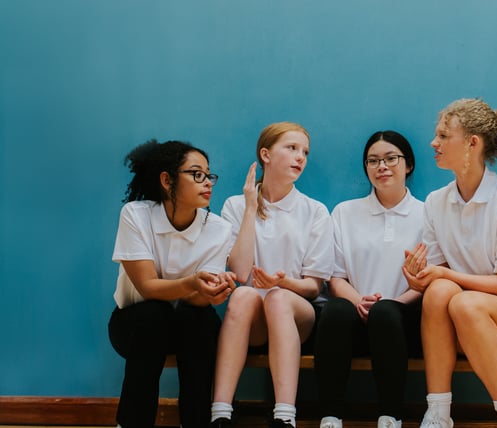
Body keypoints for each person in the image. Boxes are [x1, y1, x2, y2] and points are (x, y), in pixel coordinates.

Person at [403, 98, 497, 428]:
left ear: (472, 143)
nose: (434, 143)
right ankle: (438, 413)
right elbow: (440, 280)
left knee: (464, 302)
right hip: (466, 317)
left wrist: (443, 274)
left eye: (444, 136)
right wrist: (420, 278)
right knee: (441, 291)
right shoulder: (435, 202)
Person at [210, 122, 335, 428]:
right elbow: (239, 272)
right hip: (252, 317)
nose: (300, 157)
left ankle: (284, 417)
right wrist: (251, 208)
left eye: (304, 151)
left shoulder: (314, 211)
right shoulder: (235, 206)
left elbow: (312, 287)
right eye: (291, 148)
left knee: (278, 299)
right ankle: (221, 414)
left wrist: (281, 283)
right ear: (265, 154)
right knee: (241, 294)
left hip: (296, 313)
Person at [109, 139, 236, 428]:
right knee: (154, 314)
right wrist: (193, 281)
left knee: (200, 319)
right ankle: (131, 423)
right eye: (196, 174)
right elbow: (148, 287)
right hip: (135, 323)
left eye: (209, 174)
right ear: (167, 180)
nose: (207, 182)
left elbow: (199, 301)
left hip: (187, 323)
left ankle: (196, 422)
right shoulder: (136, 215)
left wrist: (214, 293)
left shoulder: (219, 229)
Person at [314, 130, 425, 428]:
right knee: (335, 309)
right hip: (354, 318)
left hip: (401, 323)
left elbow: (429, 281)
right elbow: (335, 278)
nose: (382, 166)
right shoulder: (345, 213)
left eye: (391, 158)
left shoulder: (428, 215)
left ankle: (391, 416)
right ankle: (330, 416)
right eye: (373, 161)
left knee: (387, 314)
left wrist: (389, 305)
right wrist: (359, 302)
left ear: (408, 164)